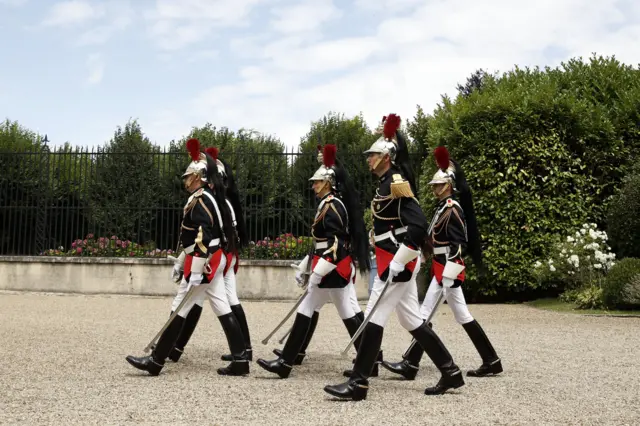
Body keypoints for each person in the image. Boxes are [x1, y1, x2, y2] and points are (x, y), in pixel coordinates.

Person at [323, 114, 464, 401]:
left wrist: (399, 261)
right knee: (412, 320)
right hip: (394, 260)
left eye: (373, 154)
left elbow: (417, 227)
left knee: (374, 315)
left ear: (386, 157)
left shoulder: (396, 182)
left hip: (398, 263)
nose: (368, 159)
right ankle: (450, 372)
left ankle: (359, 383)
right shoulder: (385, 183)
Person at [125, 138, 250, 377]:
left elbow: (203, 237)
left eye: (189, 175)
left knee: (182, 306)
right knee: (221, 305)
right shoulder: (207, 197)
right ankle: (241, 358)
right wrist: (183, 260)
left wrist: (195, 270)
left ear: (199, 177)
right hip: (210, 259)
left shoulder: (202, 199)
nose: (185, 179)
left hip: (205, 261)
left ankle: (156, 360)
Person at [380, 145, 503, 380]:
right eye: (435, 186)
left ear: (449, 186)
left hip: (446, 269)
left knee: (434, 315)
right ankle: (491, 360)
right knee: (450, 315)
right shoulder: (442, 208)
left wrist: (450, 273)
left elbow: (458, 245)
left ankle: (411, 364)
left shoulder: (452, 208)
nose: (435, 190)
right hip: (440, 266)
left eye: (438, 186)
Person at [256, 144, 371, 379]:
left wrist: (318, 271)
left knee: (343, 311)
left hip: (332, 268)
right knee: (322, 309)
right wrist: (306, 264)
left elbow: (335, 243)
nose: (313, 185)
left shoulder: (332, 205)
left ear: (327, 183)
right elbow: (321, 242)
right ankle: (288, 361)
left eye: (317, 182)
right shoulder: (329, 203)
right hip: (329, 267)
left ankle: (287, 363)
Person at [162, 146, 253, 364]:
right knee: (214, 302)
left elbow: (207, 236)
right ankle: (173, 348)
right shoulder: (216, 200)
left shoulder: (210, 200)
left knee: (192, 301)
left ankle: (166, 352)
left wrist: (197, 266)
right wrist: (184, 260)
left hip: (213, 258)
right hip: (215, 257)